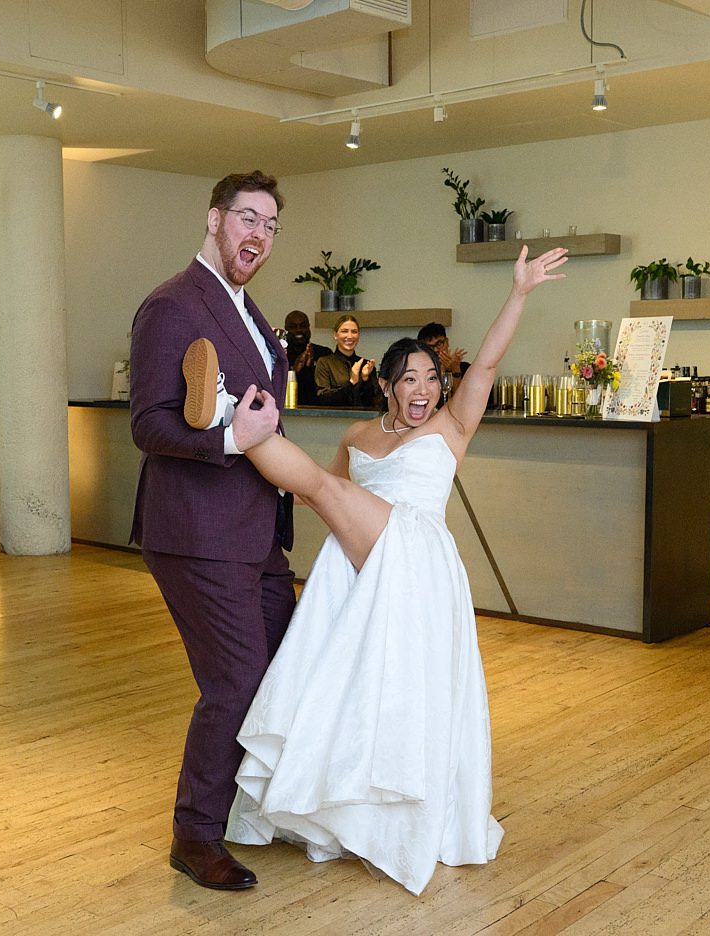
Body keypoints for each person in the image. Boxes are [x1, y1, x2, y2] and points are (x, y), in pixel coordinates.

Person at [182, 244, 568, 895]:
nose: (424, 390)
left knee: (332, 495)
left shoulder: (452, 427)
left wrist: (521, 292)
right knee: (350, 676)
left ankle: (229, 415)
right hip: (360, 563)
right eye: (409, 379)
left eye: (431, 378)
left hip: (416, 555)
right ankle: (236, 422)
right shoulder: (359, 437)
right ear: (386, 385)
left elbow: (492, 360)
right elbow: (316, 495)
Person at [128, 169, 297, 892]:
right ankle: (194, 836)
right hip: (197, 533)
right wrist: (233, 442)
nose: (257, 235)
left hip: (258, 531)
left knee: (282, 670)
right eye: (247, 219)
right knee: (233, 682)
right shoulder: (172, 304)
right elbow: (148, 423)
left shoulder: (250, 312)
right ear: (214, 219)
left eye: (270, 226)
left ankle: (249, 809)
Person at [314, 313, 380, 407]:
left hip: (363, 420)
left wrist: (365, 379)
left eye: (354, 332)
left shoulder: (366, 365)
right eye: (344, 331)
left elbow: (374, 402)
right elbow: (323, 399)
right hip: (334, 420)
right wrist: (351, 382)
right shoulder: (324, 363)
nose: (349, 336)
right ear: (335, 335)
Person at [283, 309, 331, 406]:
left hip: (319, 414)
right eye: (293, 327)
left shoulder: (324, 353)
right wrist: (294, 371)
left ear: (309, 328)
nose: (298, 330)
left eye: (303, 325)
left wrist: (311, 367)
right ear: (285, 330)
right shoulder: (279, 355)